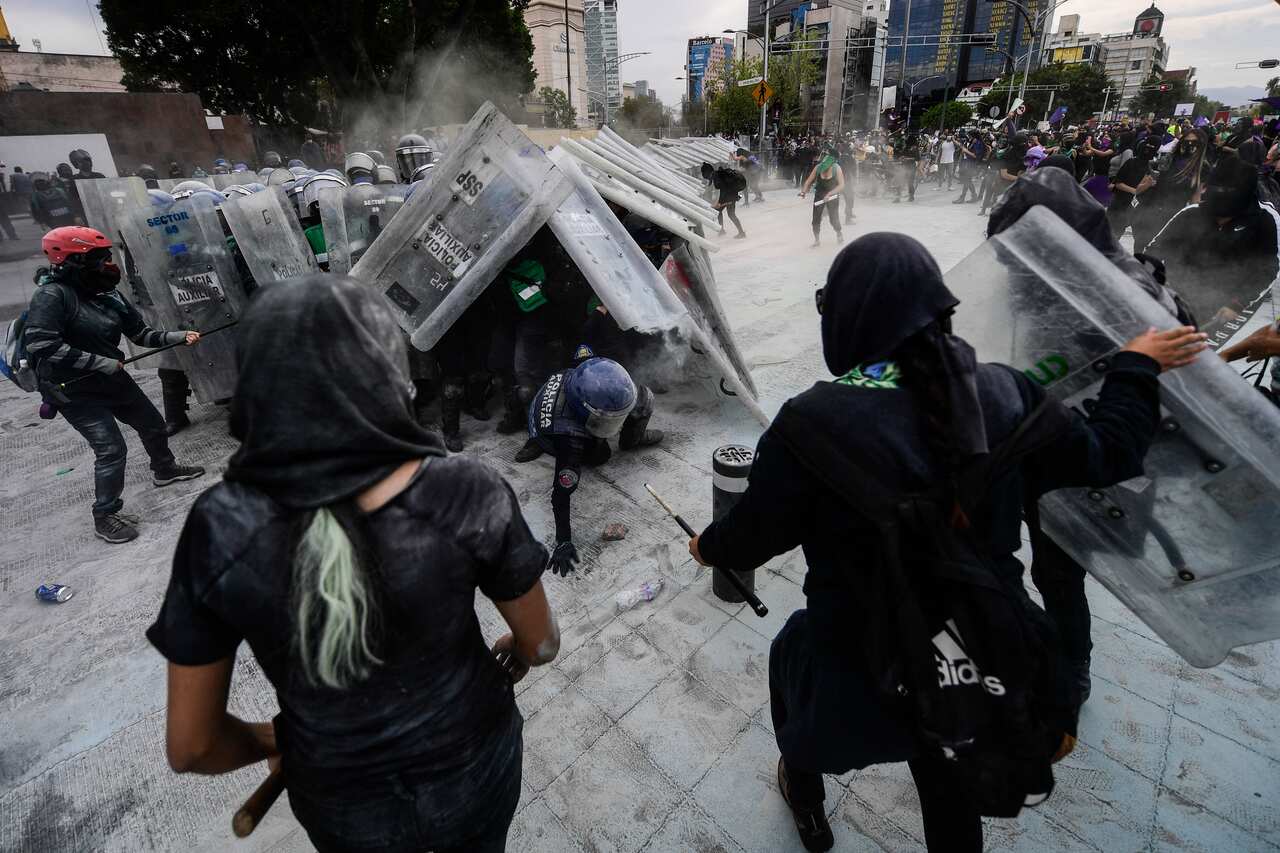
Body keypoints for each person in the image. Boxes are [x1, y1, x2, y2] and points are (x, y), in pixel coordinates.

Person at [686, 232, 1205, 852]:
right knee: (948, 786)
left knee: (793, 671)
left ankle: (803, 790)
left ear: (849, 318)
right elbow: (1111, 451)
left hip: (856, 671)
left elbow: (748, 540)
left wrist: (706, 548)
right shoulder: (1007, 392)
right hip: (974, 662)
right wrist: (1137, 364)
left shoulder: (807, 423)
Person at [147, 275, 559, 853]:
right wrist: (512, 657)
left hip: (341, 803)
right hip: (475, 768)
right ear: (389, 373)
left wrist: (275, 740)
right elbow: (539, 645)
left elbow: (192, 746)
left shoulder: (220, 527)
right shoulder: (466, 490)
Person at [23, 226, 206, 544]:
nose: (107, 265)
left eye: (107, 257)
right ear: (70, 262)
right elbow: (41, 344)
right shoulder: (52, 296)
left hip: (111, 378)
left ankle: (164, 469)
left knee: (152, 425)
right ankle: (105, 515)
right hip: (72, 388)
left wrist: (175, 336)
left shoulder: (107, 292)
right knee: (111, 449)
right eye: (98, 259)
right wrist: (97, 362)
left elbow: (141, 334)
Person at [525, 355, 662, 576]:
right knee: (601, 455)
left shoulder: (583, 374)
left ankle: (632, 440)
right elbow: (561, 494)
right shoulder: (569, 437)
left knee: (643, 399)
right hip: (549, 435)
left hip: (562, 410)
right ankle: (536, 444)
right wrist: (563, 541)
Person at [1146, 153, 1280, 350]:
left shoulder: (1264, 221)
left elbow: (1266, 269)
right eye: (1217, 188)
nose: (1221, 194)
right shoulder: (1190, 214)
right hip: (1171, 295)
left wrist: (1238, 303)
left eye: (1229, 190)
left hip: (1220, 306)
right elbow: (1155, 250)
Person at [1108, 136, 1160, 240]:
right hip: (1119, 203)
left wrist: (1146, 185)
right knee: (1109, 233)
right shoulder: (1131, 162)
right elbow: (1118, 183)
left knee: (1116, 235)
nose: (1148, 149)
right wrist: (1135, 190)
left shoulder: (1150, 170)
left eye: (1152, 147)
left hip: (1132, 208)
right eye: (1147, 145)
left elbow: (1142, 190)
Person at [800, 149, 846, 247]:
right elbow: (808, 181)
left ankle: (838, 233)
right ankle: (817, 240)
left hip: (832, 195)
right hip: (820, 194)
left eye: (827, 156)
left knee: (833, 218)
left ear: (832, 160)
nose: (824, 157)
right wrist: (803, 191)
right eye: (824, 156)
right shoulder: (818, 167)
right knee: (816, 219)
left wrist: (830, 194)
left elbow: (841, 185)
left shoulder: (836, 168)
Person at [701, 162, 747, 239]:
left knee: (730, 214)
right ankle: (723, 230)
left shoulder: (716, 176)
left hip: (730, 196)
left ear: (706, 173)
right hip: (731, 195)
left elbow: (724, 190)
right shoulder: (716, 175)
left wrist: (719, 202)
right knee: (721, 212)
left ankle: (740, 232)